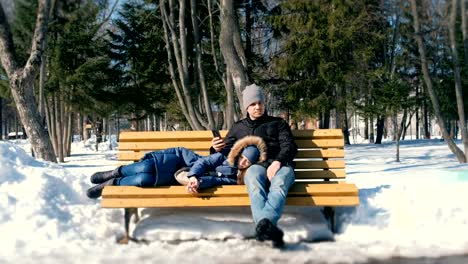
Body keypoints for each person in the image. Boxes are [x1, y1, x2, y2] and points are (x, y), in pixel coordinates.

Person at [211, 84, 298, 248]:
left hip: (282, 165)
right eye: (253, 104)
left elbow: (290, 146)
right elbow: (226, 153)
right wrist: (215, 147)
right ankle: (267, 226)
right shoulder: (239, 127)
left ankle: (264, 226)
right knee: (252, 178)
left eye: (260, 102)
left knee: (278, 184)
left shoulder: (278, 123)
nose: (257, 107)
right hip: (256, 167)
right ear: (246, 107)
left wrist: (278, 162)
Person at [86, 136, 267, 199]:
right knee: (146, 167)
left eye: (247, 162)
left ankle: (111, 183)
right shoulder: (225, 156)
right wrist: (194, 175)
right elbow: (203, 162)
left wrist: (198, 182)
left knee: (145, 179)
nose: (243, 162)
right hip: (179, 163)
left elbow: (215, 180)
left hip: (180, 175)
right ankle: (113, 172)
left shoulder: (233, 178)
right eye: (243, 157)